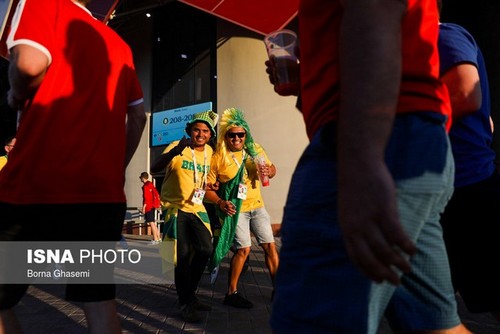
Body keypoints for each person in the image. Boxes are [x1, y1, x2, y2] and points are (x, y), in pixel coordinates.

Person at [265, 0, 472, 333]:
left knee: (311, 321)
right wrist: (306, 80)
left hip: (376, 140)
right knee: (434, 325)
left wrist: (363, 162)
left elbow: (376, 8)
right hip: (401, 139)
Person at [0, 0, 146, 333]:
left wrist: (15, 95)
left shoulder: (41, 5)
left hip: (34, 186)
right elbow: (138, 116)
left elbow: (28, 64)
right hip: (100, 196)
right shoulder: (118, 43)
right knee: (99, 306)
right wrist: (115, 168)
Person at [438, 0, 500, 322]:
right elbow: (485, 119)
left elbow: (465, 94)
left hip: (467, 189)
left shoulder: (443, 35)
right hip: (440, 193)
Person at [205, 107, 278, 309]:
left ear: (246, 134)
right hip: (236, 210)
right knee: (244, 250)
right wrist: (220, 202)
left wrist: (269, 170)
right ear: (226, 136)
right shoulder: (218, 157)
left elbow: (272, 170)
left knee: (270, 246)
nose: (237, 138)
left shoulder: (255, 149)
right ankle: (231, 293)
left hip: (258, 206)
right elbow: (207, 189)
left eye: (240, 134)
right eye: (232, 135)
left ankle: (278, 290)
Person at [151, 110, 218, 323]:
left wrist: (211, 186)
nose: (200, 134)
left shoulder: (210, 152)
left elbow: (203, 183)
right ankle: (186, 302)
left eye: (205, 131)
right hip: (175, 207)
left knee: (206, 249)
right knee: (182, 256)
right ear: (190, 131)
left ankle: (189, 295)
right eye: (197, 130)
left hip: (197, 208)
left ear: (210, 135)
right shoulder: (176, 146)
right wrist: (174, 152)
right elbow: (154, 169)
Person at [139, 171, 162, 245]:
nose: (140, 179)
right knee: (153, 223)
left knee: (151, 223)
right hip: (153, 206)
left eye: (141, 178)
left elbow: (146, 198)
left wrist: (144, 207)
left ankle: (155, 239)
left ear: (143, 178)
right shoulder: (151, 184)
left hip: (148, 206)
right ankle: (158, 238)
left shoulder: (146, 186)